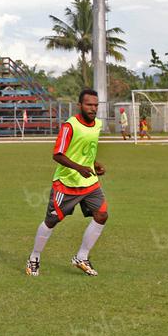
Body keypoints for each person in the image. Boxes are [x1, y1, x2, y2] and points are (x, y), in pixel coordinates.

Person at [26, 89, 107, 277]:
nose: (93, 108)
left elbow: (86, 152)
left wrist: (94, 165)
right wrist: (79, 168)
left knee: (102, 215)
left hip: (89, 182)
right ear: (80, 106)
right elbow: (58, 154)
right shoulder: (70, 126)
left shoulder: (97, 125)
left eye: (96, 105)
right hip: (66, 183)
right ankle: (34, 258)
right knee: (52, 220)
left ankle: (82, 256)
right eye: (89, 104)